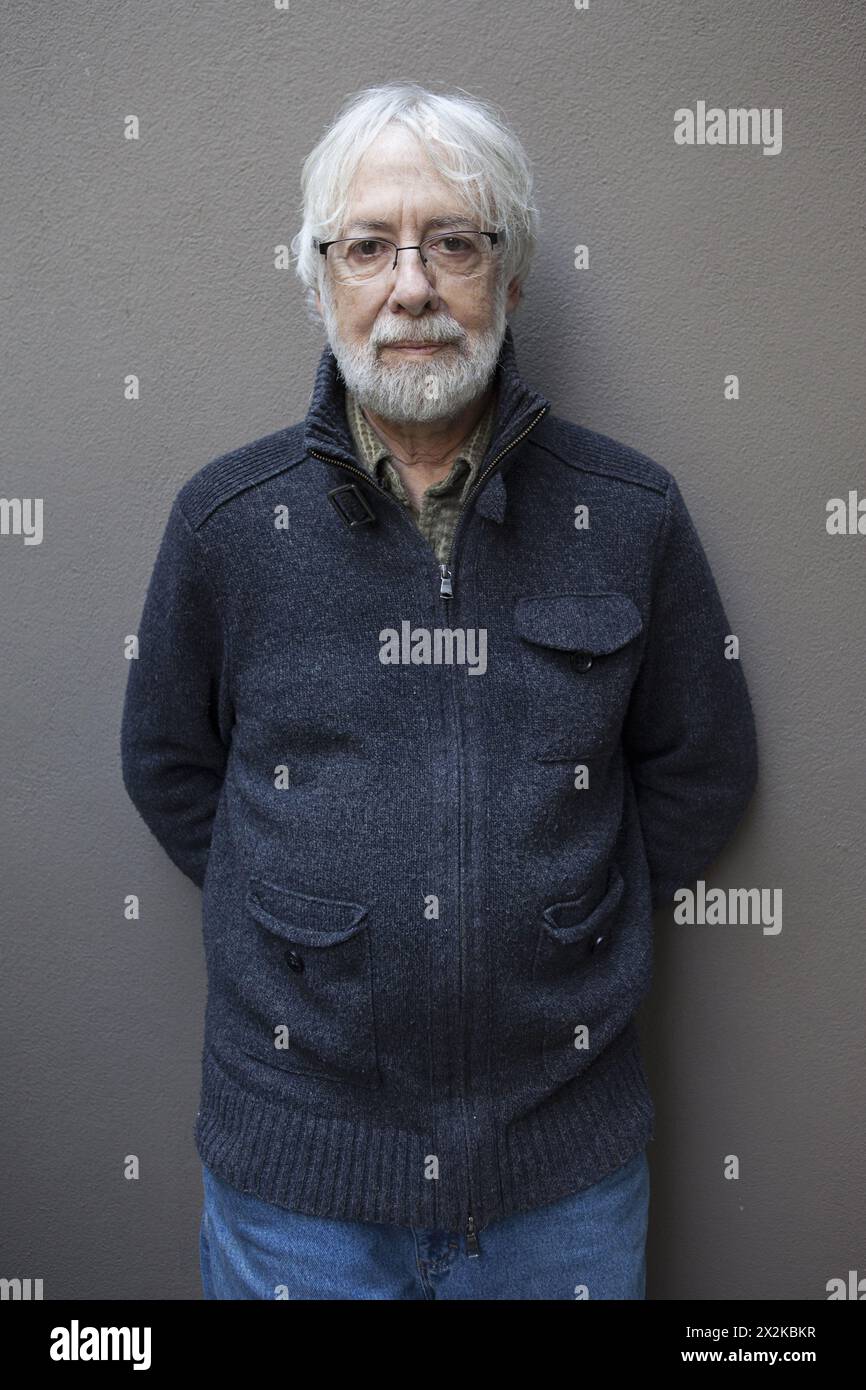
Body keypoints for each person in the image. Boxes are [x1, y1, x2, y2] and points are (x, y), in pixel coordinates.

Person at [120, 82, 759, 1300]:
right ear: (319, 281)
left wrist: (569, 915)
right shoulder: (226, 524)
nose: (409, 284)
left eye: (451, 243)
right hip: (295, 1179)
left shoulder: (628, 515)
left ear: (508, 277)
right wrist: (308, 917)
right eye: (367, 245)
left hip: (558, 1180)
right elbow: (168, 764)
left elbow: (702, 766)